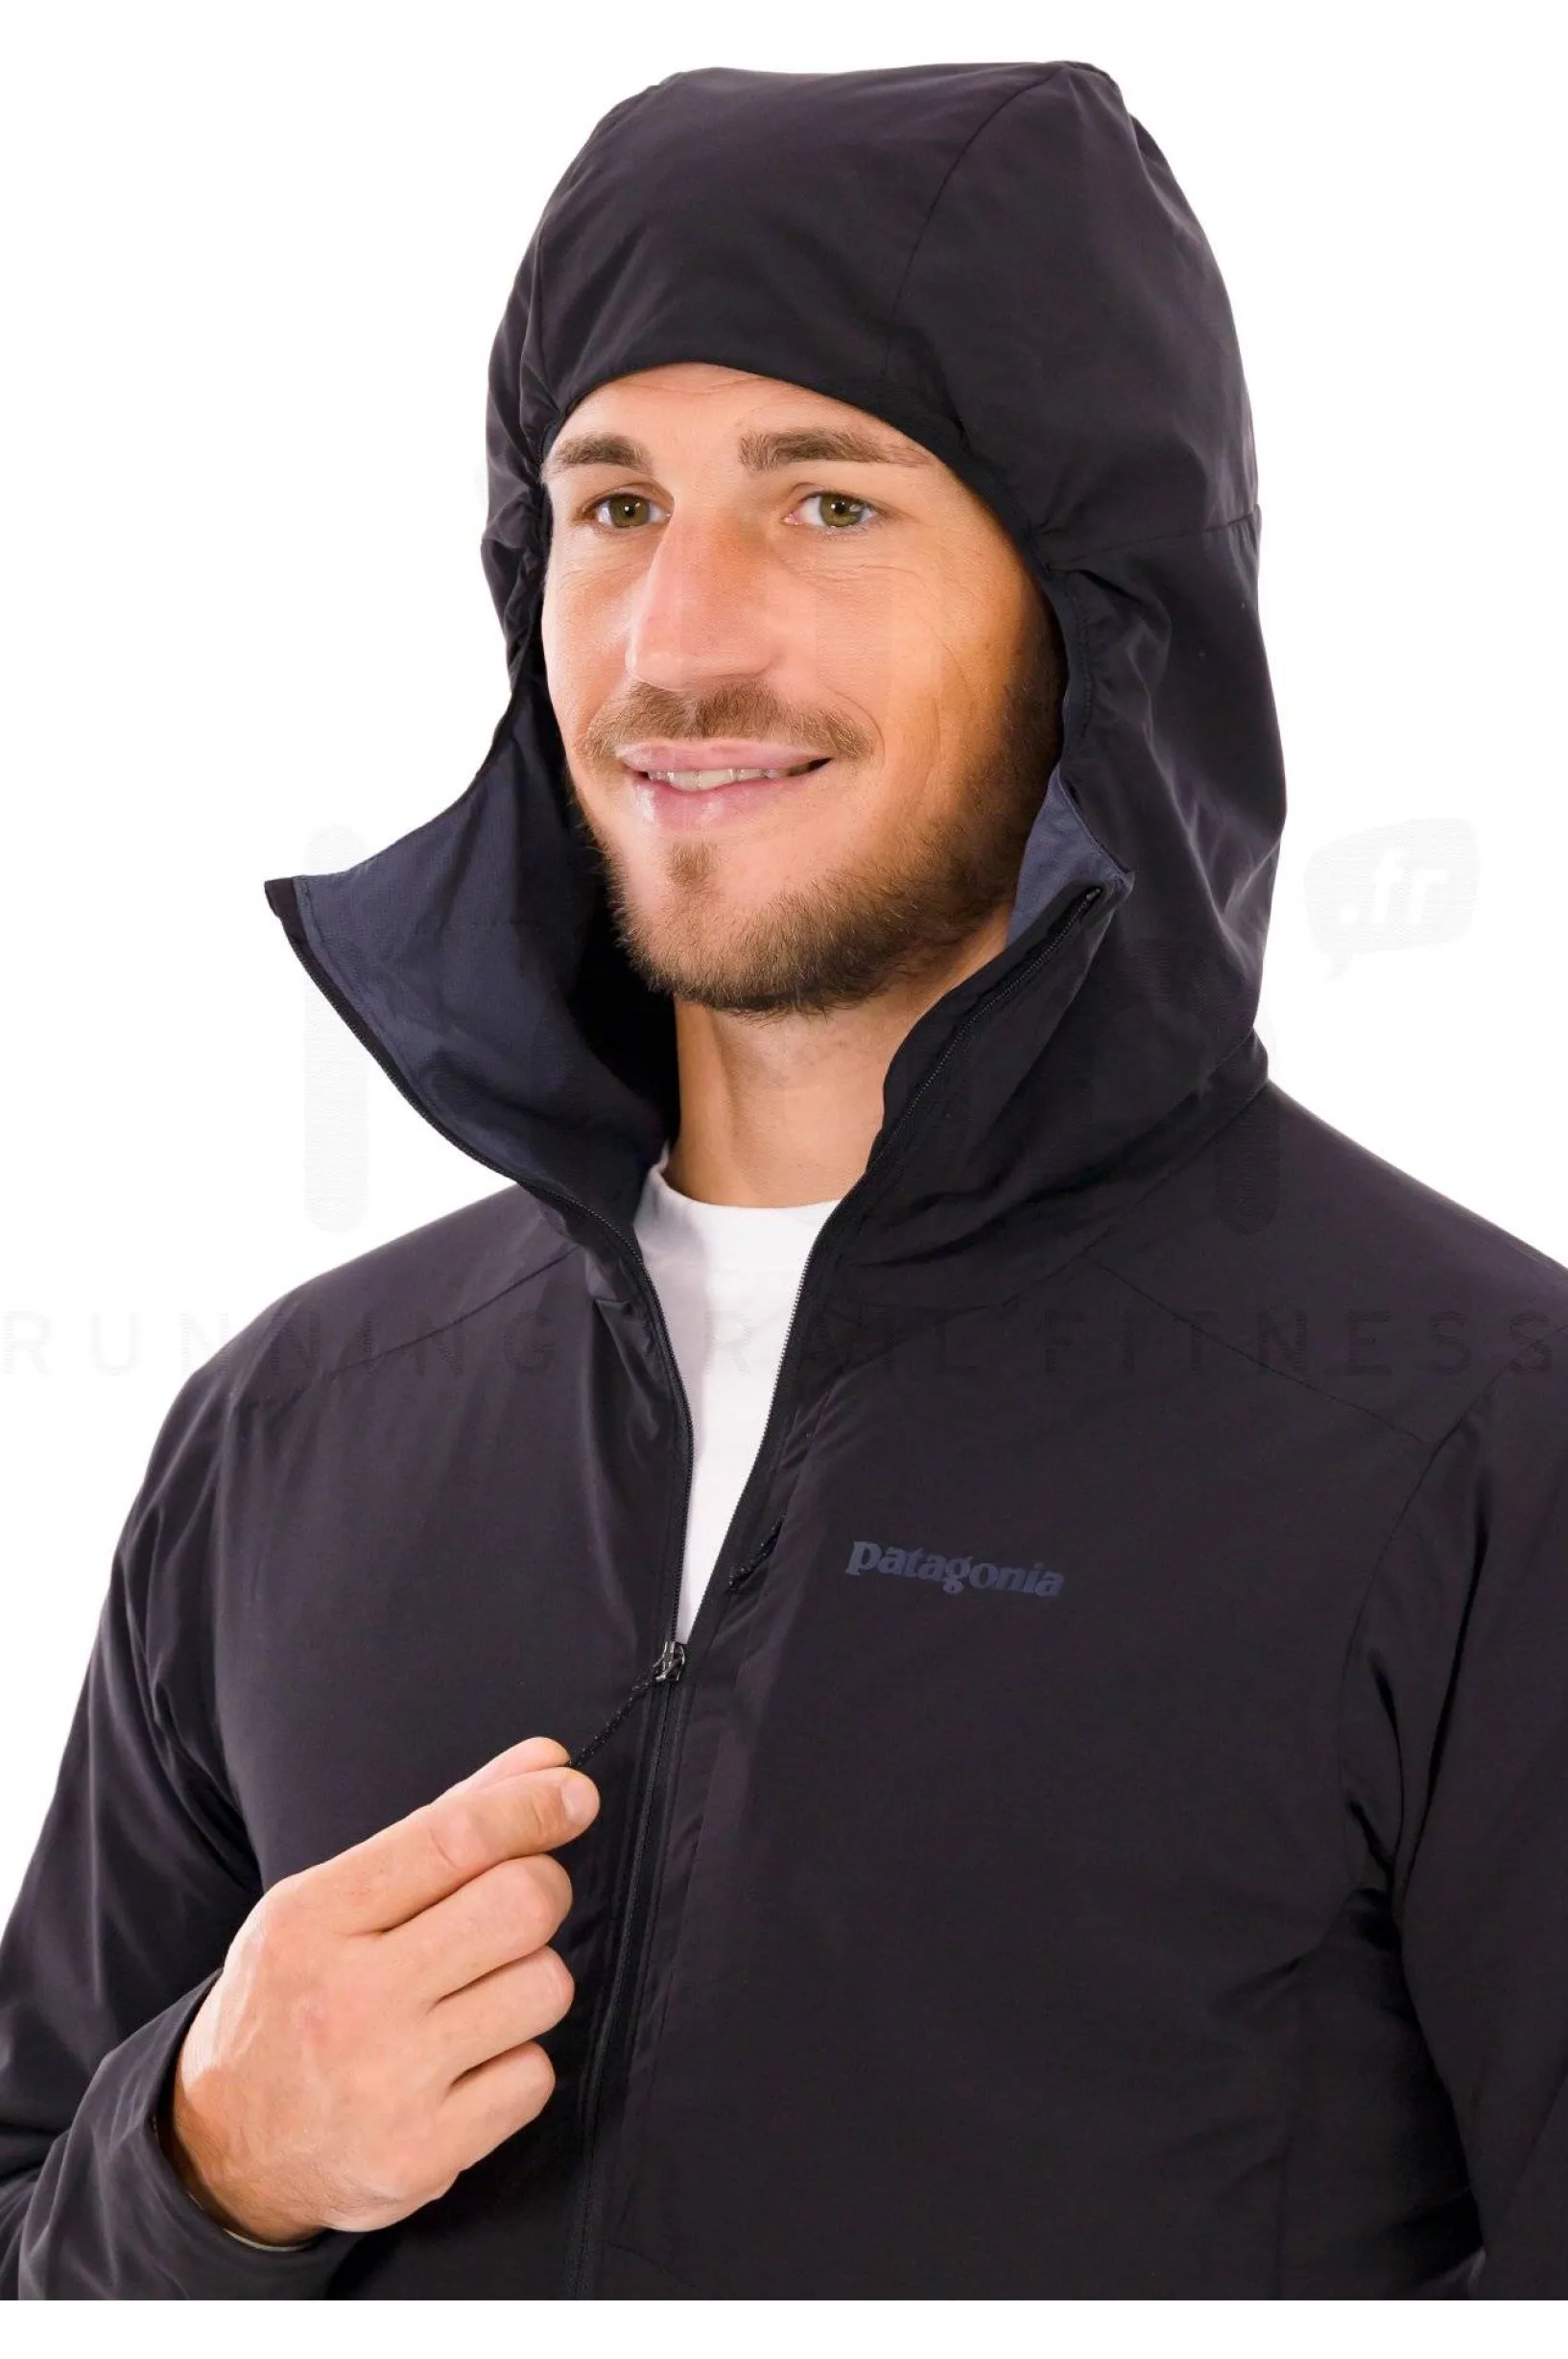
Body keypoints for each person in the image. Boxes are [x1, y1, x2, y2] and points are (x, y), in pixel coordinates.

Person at [1, 58, 1563, 2301]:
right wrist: (201, 2158)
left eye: (826, 501)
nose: (675, 641)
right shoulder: (290, 1427)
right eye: (612, 504)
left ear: (1092, 605)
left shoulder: (1474, 1430)